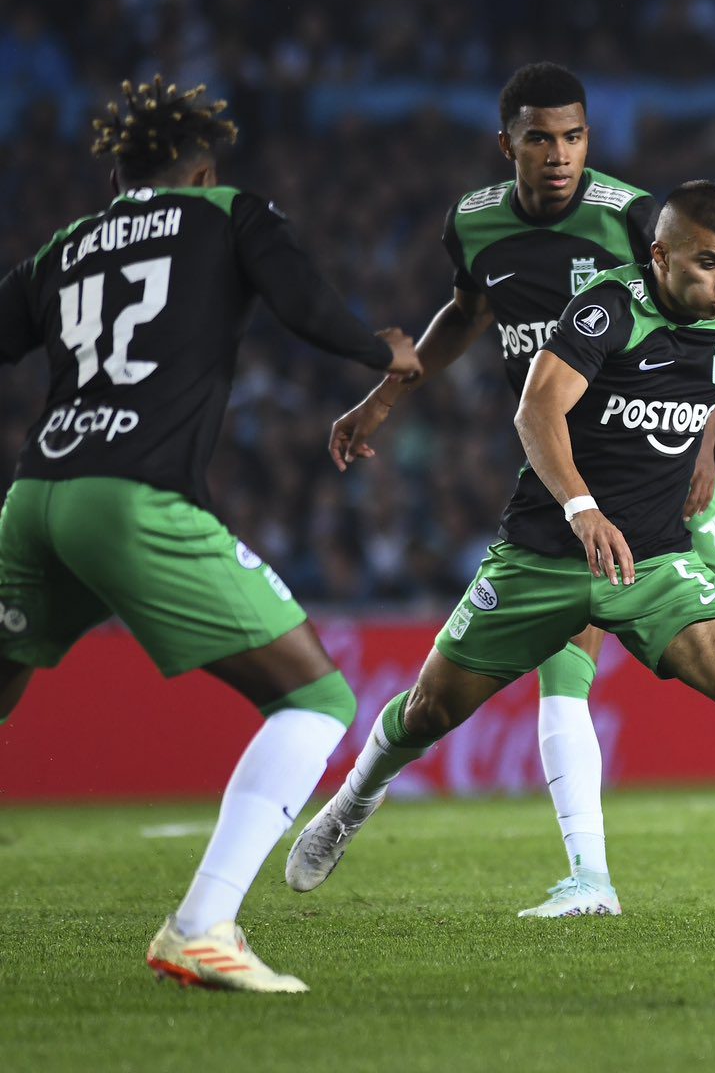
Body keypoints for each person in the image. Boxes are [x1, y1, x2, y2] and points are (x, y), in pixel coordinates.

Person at [325, 63, 715, 919]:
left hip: (671, 496)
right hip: (566, 499)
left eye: (574, 136)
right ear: (505, 143)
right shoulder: (481, 230)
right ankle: (398, 811)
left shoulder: (632, 219)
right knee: (458, 702)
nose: (559, 156)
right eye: (541, 138)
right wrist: (388, 394)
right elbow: (474, 321)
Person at [0, 77, 420, 992]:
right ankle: (203, 924)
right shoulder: (227, 212)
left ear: (117, 173)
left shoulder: (63, 246)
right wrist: (376, 349)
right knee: (317, 698)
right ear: (203, 167)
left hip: (33, 496)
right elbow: (303, 303)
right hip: (131, 497)